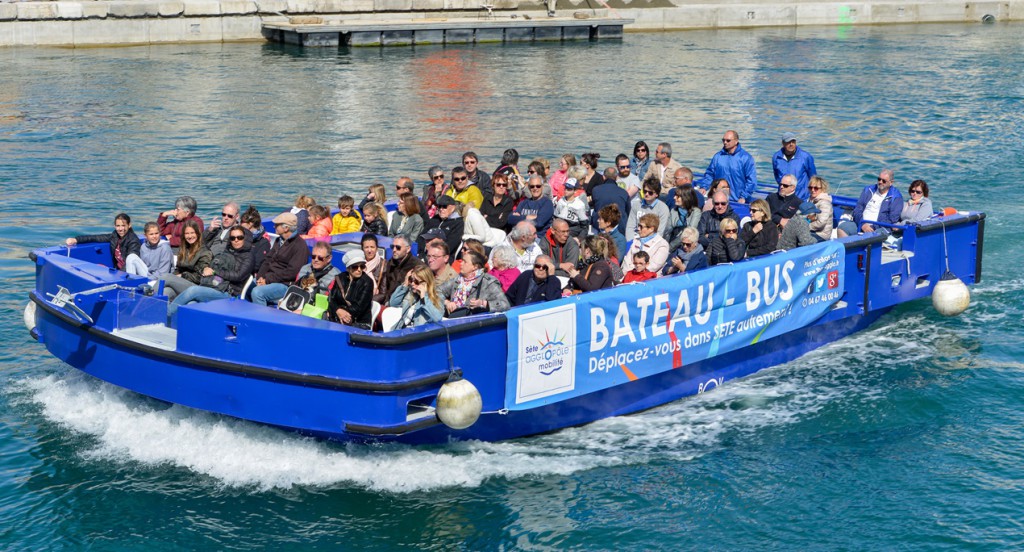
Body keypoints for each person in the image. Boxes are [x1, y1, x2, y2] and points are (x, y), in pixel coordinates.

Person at [167, 226, 254, 320]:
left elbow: (238, 276)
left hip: (229, 293)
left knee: (193, 290)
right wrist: (207, 269)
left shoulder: (248, 257)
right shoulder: (228, 251)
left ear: (244, 238)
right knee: (191, 304)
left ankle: (166, 314)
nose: (236, 240)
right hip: (215, 285)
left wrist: (214, 272)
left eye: (239, 237)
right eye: (232, 238)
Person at [246, 239, 339, 309]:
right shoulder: (305, 268)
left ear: (329, 258)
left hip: (312, 307)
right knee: (250, 286)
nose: (316, 260)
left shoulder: (334, 275)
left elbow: (326, 301)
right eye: (313, 256)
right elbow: (296, 288)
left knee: (258, 292)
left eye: (320, 258)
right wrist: (285, 300)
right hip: (296, 300)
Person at [249, 212, 309, 305]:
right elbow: (267, 260)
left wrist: (267, 280)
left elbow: (291, 273)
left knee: (258, 293)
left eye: (277, 225)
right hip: (270, 278)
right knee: (246, 285)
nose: (274, 227)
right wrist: (260, 277)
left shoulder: (300, 245)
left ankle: (261, 318)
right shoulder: (279, 240)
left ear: (286, 228)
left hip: (285, 284)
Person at [65, 213, 145, 276]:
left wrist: (117, 275)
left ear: (129, 225)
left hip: (129, 275)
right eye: (118, 226)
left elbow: (130, 263)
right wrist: (76, 239)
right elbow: (96, 237)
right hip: (118, 271)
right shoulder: (115, 236)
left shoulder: (133, 241)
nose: (120, 229)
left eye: (123, 225)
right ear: (115, 226)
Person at [438, 249, 510, 316]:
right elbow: (436, 291)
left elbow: (505, 304)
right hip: (453, 319)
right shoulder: (458, 279)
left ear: (475, 267)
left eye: (465, 261)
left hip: (476, 323)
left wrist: (483, 303)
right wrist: (446, 302)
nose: (461, 264)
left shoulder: (488, 282)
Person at [696, 130, 758, 203]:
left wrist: (743, 197)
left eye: (728, 140)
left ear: (736, 141)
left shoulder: (746, 158)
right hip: (719, 199)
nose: (725, 142)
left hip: (737, 200)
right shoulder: (718, 157)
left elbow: (751, 181)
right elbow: (710, 174)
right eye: (723, 140)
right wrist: (704, 187)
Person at [840, 169, 904, 236]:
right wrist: (862, 224)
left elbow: (892, 219)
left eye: (884, 181)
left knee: (871, 236)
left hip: (880, 228)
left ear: (891, 182)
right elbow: (858, 209)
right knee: (843, 227)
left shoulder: (896, 197)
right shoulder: (868, 190)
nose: (880, 182)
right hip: (861, 223)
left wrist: (873, 227)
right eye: (879, 179)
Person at [161, 220, 212, 299]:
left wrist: (182, 276)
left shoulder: (204, 252)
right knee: (166, 292)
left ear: (198, 233)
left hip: (195, 286)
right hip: (183, 283)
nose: (190, 236)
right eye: (187, 233)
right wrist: (176, 276)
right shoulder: (184, 249)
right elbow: (178, 269)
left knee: (166, 277)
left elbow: (201, 277)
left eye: (192, 233)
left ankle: (146, 299)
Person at [388, 265, 444, 330]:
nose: (412, 283)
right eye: (411, 280)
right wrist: (405, 284)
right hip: (401, 331)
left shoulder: (437, 296)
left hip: (419, 335)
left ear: (426, 282)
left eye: (416, 282)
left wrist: (423, 297)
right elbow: (393, 303)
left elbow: (437, 318)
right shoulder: (410, 293)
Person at [328, 250, 374, 329]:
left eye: (362, 266)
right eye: (355, 267)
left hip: (359, 322)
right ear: (348, 268)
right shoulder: (340, 278)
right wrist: (338, 311)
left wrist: (340, 312)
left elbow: (358, 308)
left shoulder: (367, 282)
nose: (359, 269)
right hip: (338, 316)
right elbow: (331, 299)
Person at [772, 132, 817, 200]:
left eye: (793, 141)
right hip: (783, 197)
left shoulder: (805, 157)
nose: (791, 144)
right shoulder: (776, 157)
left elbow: (813, 177)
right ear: (783, 143)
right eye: (788, 142)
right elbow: (777, 176)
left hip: (802, 197)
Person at [381, 235, 423, 301]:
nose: (394, 250)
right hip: (389, 301)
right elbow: (387, 286)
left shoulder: (417, 266)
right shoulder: (390, 263)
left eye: (398, 247)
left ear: (408, 249)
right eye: (392, 247)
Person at [590, 168, 630, 235]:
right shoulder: (624, 192)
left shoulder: (596, 190)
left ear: (603, 177)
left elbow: (595, 206)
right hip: (620, 227)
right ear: (616, 177)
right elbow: (628, 211)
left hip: (599, 226)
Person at [665, 184, 702, 250]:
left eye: (678, 196)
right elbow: (667, 230)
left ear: (686, 197)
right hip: (671, 241)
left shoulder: (696, 212)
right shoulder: (673, 210)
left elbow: (689, 232)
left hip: (686, 244)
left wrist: (670, 247)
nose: (674, 198)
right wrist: (665, 246)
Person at [240, 206, 272, 274]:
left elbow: (257, 265)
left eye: (242, 222)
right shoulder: (243, 237)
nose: (240, 225)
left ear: (250, 225)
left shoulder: (263, 242)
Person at [359, 233, 389, 303]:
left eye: (372, 247)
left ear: (377, 248)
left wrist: (366, 301)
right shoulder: (358, 263)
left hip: (372, 302)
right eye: (366, 247)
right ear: (362, 248)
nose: (369, 250)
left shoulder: (384, 265)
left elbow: (383, 294)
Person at [807, 176, 834, 242]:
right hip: (811, 231)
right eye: (810, 187)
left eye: (816, 188)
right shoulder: (810, 200)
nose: (813, 190)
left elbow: (821, 223)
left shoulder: (824, 203)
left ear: (822, 189)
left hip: (821, 235)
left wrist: (804, 227)